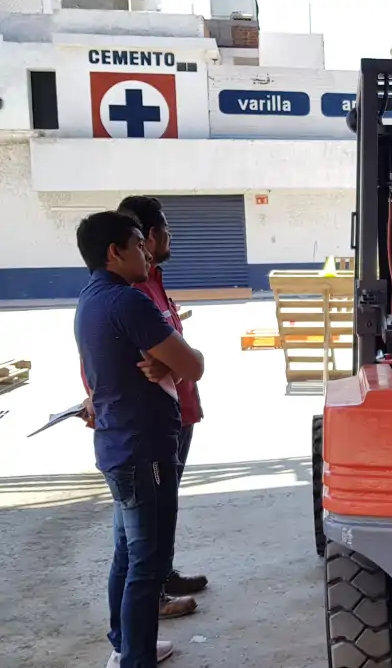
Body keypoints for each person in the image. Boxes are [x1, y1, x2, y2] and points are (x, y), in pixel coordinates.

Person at [74, 211, 206, 668]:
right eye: (138, 243)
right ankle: (136, 660)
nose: (147, 250)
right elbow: (193, 365)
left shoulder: (90, 299)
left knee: (127, 555)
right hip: (144, 450)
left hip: (119, 447)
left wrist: (165, 363)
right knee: (147, 565)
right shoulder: (129, 302)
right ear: (115, 252)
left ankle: (126, 646)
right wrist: (180, 360)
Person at [116, 196, 209, 615]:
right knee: (146, 517)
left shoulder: (154, 278)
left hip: (178, 407)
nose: (171, 236)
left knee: (166, 503)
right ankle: (152, 594)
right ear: (148, 237)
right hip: (154, 418)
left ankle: (163, 573)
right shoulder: (128, 291)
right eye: (165, 229)